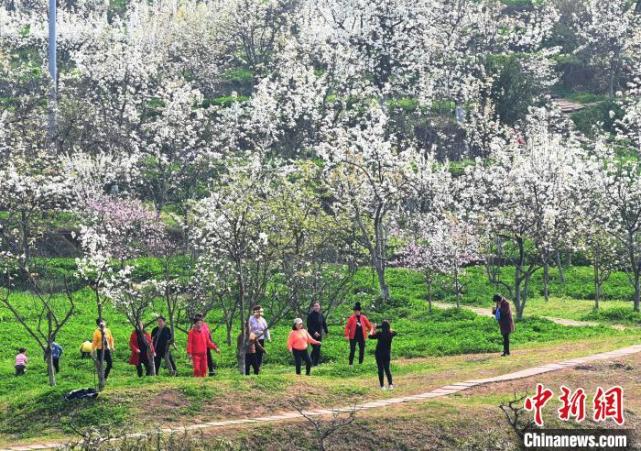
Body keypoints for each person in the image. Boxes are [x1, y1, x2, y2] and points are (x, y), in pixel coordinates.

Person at [369, 320, 397, 390]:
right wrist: (386, 327)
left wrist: (373, 328)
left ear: (382, 326)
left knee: (380, 369)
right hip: (387, 353)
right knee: (387, 369)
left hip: (379, 353)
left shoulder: (379, 333)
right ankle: (390, 385)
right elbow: (395, 332)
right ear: (389, 326)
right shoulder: (391, 333)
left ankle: (382, 386)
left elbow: (370, 336)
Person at [344, 302, 373, 366]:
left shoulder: (364, 318)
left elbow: (370, 326)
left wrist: (368, 331)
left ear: (359, 311)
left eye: (356, 311)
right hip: (353, 336)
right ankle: (350, 364)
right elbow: (347, 327)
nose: (355, 312)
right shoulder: (351, 318)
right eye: (355, 311)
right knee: (352, 350)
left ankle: (360, 363)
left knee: (362, 350)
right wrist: (346, 335)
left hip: (362, 336)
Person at [248, 305, 271, 372]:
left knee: (260, 353)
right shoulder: (250, 319)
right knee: (253, 353)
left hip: (261, 338)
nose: (259, 313)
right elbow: (248, 329)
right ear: (254, 312)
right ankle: (252, 367)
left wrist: (268, 338)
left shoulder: (263, 320)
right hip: (252, 339)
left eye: (260, 312)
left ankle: (257, 368)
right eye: (258, 312)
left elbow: (266, 329)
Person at [306, 302, 328, 366]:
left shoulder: (321, 315)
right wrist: (314, 332)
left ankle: (315, 363)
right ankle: (311, 362)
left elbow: (324, 324)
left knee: (318, 349)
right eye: (315, 306)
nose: (316, 307)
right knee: (315, 348)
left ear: (319, 307)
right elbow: (309, 325)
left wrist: (326, 332)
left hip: (319, 335)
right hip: (312, 335)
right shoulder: (310, 315)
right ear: (313, 307)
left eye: (317, 306)